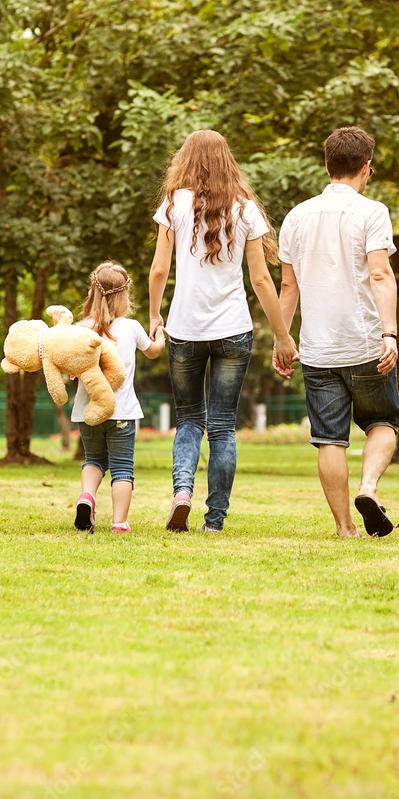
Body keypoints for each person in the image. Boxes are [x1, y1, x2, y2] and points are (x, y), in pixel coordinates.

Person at [149, 130, 298, 533]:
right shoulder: (246, 210)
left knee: (189, 420)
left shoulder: (174, 205)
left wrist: (154, 316)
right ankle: (214, 521)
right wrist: (282, 335)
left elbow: (160, 269)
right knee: (222, 425)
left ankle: (182, 492)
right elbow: (263, 281)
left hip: (184, 328)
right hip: (233, 330)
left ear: (186, 160)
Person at [277, 126, 399, 538]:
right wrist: (390, 334)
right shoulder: (372, 211)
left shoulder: (296, 216)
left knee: (330, 438)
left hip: (318, 350)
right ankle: (368, 489)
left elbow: (288, 287)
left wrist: (282, 337)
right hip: (366, 344)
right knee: (383, 420)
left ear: (327, 165)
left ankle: (345, 527)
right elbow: (380, 273)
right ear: (366, 168)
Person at [72, 262, 166, 535]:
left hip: (88, 411)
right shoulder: (132, 327)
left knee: (93, 460)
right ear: (124, 295)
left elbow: (69, 363)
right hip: (122, 412)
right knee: (122, 467)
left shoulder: (81, 329)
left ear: (93, 292)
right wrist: (159, 335)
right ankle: (119, 523)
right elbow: (154, 351)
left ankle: (86, 497)